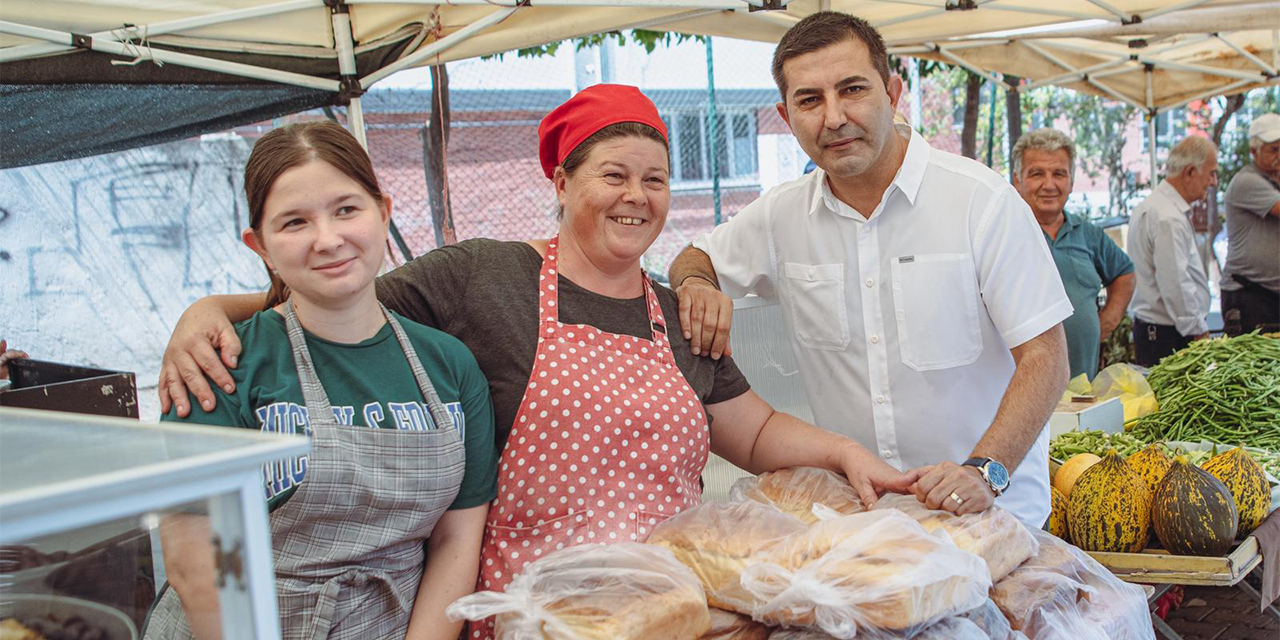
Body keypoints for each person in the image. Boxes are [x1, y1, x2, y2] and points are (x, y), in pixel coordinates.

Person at [156, 85, 920, 640]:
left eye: (655, 178)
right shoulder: (482, 277)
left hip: (668, 611)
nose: (637, 196)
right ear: (561, 183)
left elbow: (752, 435)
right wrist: (208, 314)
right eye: (612, 175)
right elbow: (337, 300)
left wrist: (846, 452)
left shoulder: (680, 312)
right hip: (532, 616)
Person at [669, 11, 1072, 528]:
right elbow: (693, 256)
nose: (833, 117)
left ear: (893, 92)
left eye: (852, 90)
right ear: (785, 114)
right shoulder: (779, 216)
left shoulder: (981, 202)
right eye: (809, 100)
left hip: (990, 519)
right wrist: (697, 283)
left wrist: (983, 470)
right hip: (865, 524)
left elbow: (1046, 356)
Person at [145, 121, 497, 640]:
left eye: (346, 210)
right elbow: (198, 558)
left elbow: (456, 541)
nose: (328, 239)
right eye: (294, 223)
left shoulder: (451, 365)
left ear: (384, 212)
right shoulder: (222, 364)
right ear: (259, 245)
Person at [1011, 128, 1135, 380]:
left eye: (1059, 174)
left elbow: (1125, 272)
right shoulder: (1004, 233)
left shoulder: (1088, 234)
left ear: (1071, 181)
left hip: (1083, 387)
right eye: (1037, 174)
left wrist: (1107, 320)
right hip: (1020, 389)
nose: (1049, 185)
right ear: (1017, 180)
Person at [1128, 136, 1218, 366]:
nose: (1214, 182)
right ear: (1190, 172)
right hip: (1167, 333)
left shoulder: (1159, 206)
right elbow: (1175, 283)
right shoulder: (1168, 216)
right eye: (1211, 173)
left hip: (1161, 328)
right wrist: (1198, 331)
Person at [1221, 113, 1280, 336]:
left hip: (1267, 294)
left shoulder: (1272, 180)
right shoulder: (1248, 181)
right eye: (1274, 150)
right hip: (1249, 295)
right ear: (1254, 152)